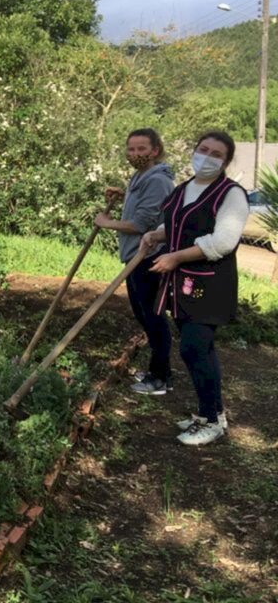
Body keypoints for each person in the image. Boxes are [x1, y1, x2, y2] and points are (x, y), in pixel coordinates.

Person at [139, 130, 249, 446]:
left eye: (217, 154)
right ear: (194, 151)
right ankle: (213, 411)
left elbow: (223, 241)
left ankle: (210, 421)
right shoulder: (185, 188)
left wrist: (175, 256)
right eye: (203, 149)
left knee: (193, 347)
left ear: (226, 161)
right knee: (201, 349)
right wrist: (157, 235)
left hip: (208, 285)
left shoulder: (231, 194)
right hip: (182, 283)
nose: (208, 157)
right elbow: (177, 222)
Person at [94, 129, 175, 395]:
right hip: (134, 256)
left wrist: (107, 223)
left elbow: (141, 224)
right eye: (131, 149)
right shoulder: (141, 175)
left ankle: (160, 378)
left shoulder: (157, 181)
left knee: (152, 317)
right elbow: (142, 208)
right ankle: (159, 370)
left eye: (142, 149)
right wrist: (123, 193)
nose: (135, 154)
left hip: (148, 257)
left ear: (155, 150)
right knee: (143, 315)